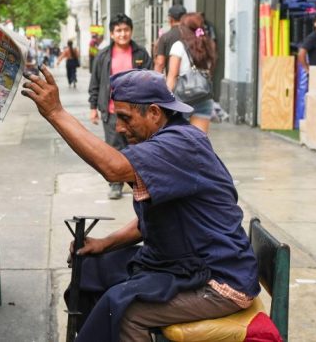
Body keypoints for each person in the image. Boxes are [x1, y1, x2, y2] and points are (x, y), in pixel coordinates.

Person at [21, 68, 259, 342]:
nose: (119, 128)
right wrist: (105, 244)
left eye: (125, 118)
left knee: (125, 312)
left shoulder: (180, 144)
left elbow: (113, 168)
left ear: (155, 113)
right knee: (92, 269)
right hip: (185, 261)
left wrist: (56, 113)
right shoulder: (166, 140)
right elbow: (153, 220)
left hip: (219, 280)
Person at [88, 14, 152, 199]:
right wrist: (93, 107)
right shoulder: (103, 56)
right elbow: (95, 82)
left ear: (131, 31)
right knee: (114, 149)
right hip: (111, 111)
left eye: (126, 30)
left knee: (139, 148)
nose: (122, 34)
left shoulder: (141, 54)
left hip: (137, 111)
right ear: (112, 34)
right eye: (118, 30)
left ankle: (141, 183)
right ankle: (116, 184)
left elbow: (150, 79)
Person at [166, 13, 218, 133]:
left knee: (179, 140)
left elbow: (172, 76)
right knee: (198, 140)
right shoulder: (209, 45)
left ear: (183, 29)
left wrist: (165, 101)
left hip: (182, 100)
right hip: (204, 98)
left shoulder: (178, 46)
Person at [153, 4, 186, 75]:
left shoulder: (165, 37)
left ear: (171, 19)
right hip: (194, 79)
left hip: (174, 79)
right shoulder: (193, 36)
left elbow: (160, 63)